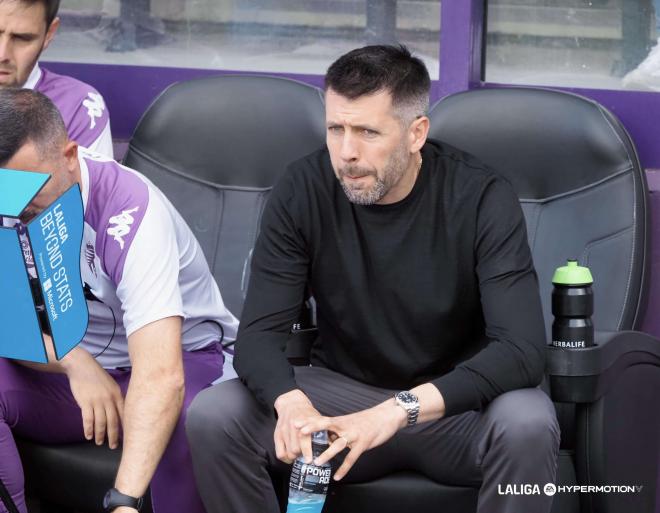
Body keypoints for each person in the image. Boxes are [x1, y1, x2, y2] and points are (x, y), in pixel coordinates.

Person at [186, 45, 560, 513]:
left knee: (527, 421)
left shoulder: (482, 196)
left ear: (415, 133)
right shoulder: (303, 189)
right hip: (338, 400)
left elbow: (522, 352)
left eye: (367, 132)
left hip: (453, 409)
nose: (347, 153)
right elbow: (258, 337)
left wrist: (396, 411)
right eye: (336, 129)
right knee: (216, 415)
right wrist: (292, 403)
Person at [0, 88, 239, 513]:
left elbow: (162, 374)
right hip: (72, 367)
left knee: (192, 418)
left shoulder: (131, 211)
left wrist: (123, 501)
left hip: (183, 358)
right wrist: (75, 362)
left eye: (27, 187)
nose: (15, 207)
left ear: (70, 156)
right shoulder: (8, 201)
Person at [0, 0, 113, 156]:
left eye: (22, 38)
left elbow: (92, 181)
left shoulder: (78, 107)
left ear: (49, 34)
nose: (2, 55)